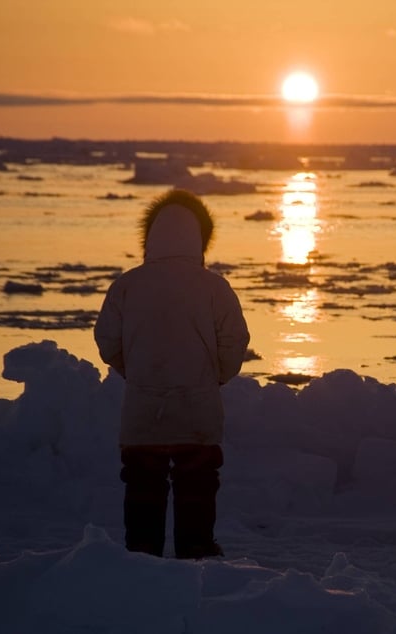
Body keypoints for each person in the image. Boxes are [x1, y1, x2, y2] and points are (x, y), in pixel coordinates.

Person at [94, 189, 250, 559]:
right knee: (197, 481)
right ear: (201, 238)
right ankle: (195, 550)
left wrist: (135, 372)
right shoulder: (214, 287)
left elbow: (106, 341)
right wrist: (216, 378)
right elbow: (235, 340)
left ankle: (142, 552)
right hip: (197, 408)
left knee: (142, 482)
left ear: (149, 237)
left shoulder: (127, 286)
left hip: (143, 408)